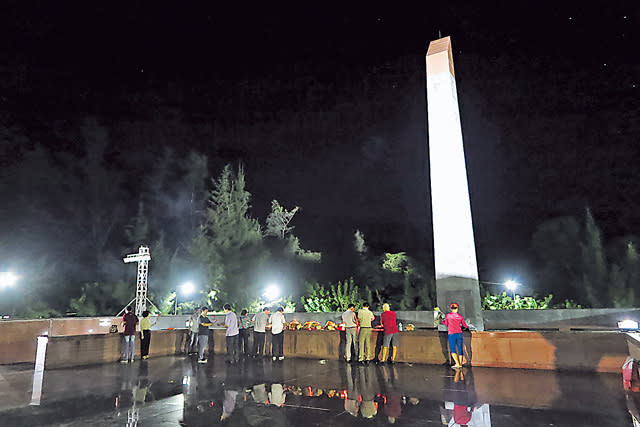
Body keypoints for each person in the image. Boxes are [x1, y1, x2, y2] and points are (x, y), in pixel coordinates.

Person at [443, 302, 468, 369]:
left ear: (451, 308)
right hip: (459, 333)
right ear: (457, 308)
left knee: (452, 349)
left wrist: (442, 321)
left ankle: (457, 363)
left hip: (451, 334)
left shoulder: (448, 315)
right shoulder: (460, 317)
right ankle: (460, 364)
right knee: (460, 348)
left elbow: (446, 324)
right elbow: (465, 325)